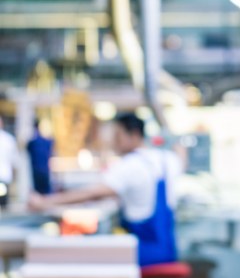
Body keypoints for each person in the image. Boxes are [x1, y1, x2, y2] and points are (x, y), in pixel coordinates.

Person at [28, 112, 183, 266]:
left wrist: (45, 202)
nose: (114, 142)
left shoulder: (130, 165)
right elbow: (182, 153)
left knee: (85, 260)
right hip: (168, 251)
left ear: (134, 134)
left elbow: (92, 194)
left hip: (142, 252)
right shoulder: (166, 160)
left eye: (118, 136)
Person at [26, 119, 53, 195]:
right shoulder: (43, 141)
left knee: (41, 193)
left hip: (38, 171)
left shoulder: (33, 142)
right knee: (45, 194)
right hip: (43, 170)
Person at [0, 117, 19, 208]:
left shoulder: (8, 140)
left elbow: (14, 160)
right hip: (5, 176)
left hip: (4, 176)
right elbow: (14, 161)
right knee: (3, 205)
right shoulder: (9, 139)